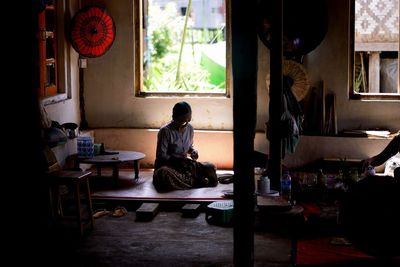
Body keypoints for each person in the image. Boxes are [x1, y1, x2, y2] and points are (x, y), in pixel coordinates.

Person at [153, 101, 218, 191]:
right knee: (163, 174)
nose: (185, 124)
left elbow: (189, 147)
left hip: (185, 166)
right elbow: (161, 156)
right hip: (170, 166)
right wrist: (180, 161)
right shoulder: (165, 131)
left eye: (188, 120)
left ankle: (191, 180)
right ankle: (196, 182)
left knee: (210, 167)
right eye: (182, 121)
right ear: (173, 117)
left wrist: (193, 151)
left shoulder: (190, 128)